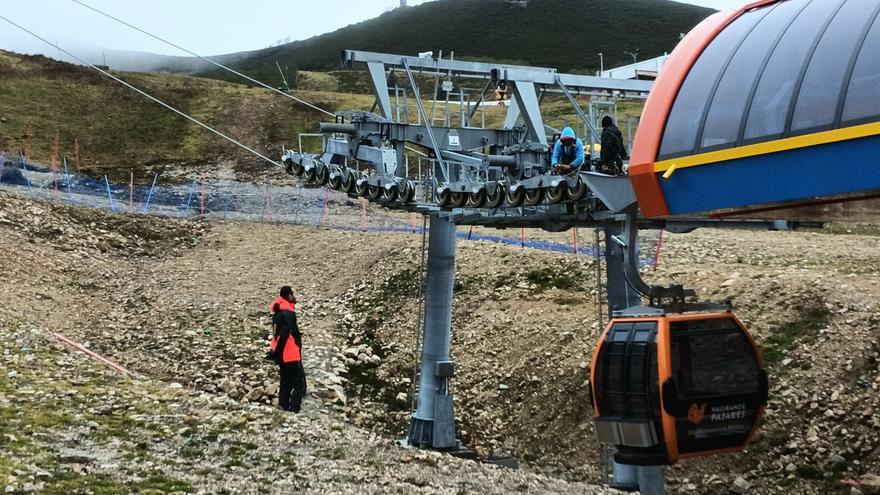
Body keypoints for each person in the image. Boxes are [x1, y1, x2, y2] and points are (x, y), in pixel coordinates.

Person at [266, 286, 306, 413]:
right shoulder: (288, 313)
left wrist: (274, 353)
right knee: (300, 385)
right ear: (289, 296)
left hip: (281, 355)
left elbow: (276, 334)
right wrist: (277, 352)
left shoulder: (277, 312)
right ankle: (294, 411)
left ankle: (283, 408)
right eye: (293, 294)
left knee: (285, 382)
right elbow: (284, 335)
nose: (294, 297)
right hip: (290, 354)